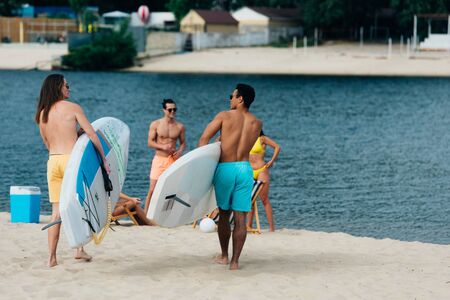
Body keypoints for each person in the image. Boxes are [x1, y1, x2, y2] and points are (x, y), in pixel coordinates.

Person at [35, 74, 109, 268]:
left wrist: (73, 136)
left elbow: (48, 143)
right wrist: (103, 159)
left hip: (53, 162)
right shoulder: (73, 108)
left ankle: (51, 258)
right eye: (67, 85)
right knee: (82, 205)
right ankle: (79, 250)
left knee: (56, 213)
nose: (70, 88)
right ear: (58, 86)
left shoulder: (42, 114)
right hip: (71, 161)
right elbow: (92, 134)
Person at [198, 83, 261, 270]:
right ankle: (235, 262)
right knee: (241, 217)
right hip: (245, 169)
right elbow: (239, 140)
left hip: (225, 168)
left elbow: (204, 140)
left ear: (240, 98)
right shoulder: (257, 123)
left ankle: (225, 256)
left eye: (232, 96)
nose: (230, 99)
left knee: (224, 214)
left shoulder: (224, 115)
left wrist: (202, 169)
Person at [144, 99, 186, 214]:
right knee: (152, 189)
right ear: (164, 110)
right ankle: (146, 215)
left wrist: (180, 150)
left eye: (174, 109)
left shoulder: (180, 127)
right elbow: (150, 142)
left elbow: (183, 143)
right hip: (159, 160)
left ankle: (167, 214)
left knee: (171, 190)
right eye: (170, 109)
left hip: (172, 160)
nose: (172, 111)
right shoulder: (156, 124)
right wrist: (163, 147)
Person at [247, 130, 281, 232]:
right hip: (249, 171)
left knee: (264, 199)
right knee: (250, 200)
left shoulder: (262, 139)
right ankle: (249, 226)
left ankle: (272, 229)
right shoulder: (246, 139)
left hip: (261, 170)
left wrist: (272, 160)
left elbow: (277, 147)